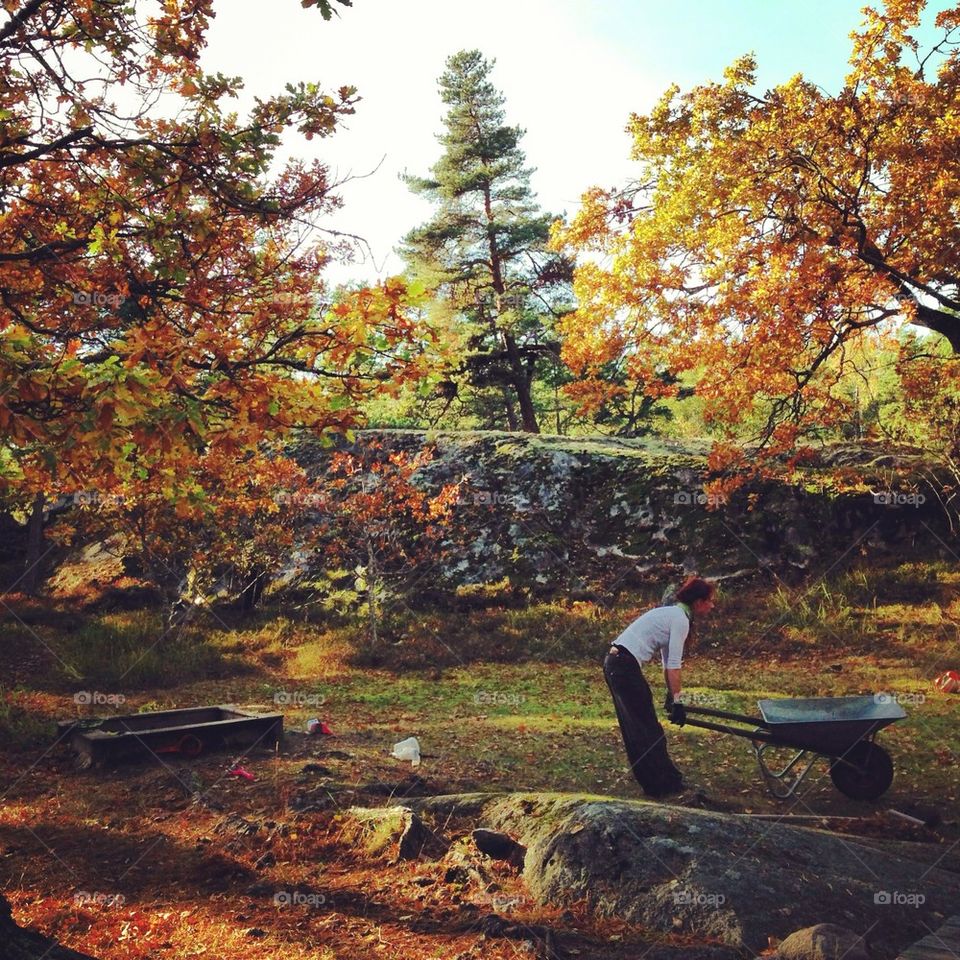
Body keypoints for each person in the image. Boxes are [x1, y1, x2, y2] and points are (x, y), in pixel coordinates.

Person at [603, 576, 716, 798]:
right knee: (647, 729)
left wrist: (672, 695)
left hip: (615, 663)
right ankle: (665, 785)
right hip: (623, 666)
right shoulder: (680, 619)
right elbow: (674, 666)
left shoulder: (673, 614)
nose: (712, 606)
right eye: (709, 601)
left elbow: (666, 664)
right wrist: (678, 702)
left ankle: (656, 784)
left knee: (639, 729)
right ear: (698, 602)